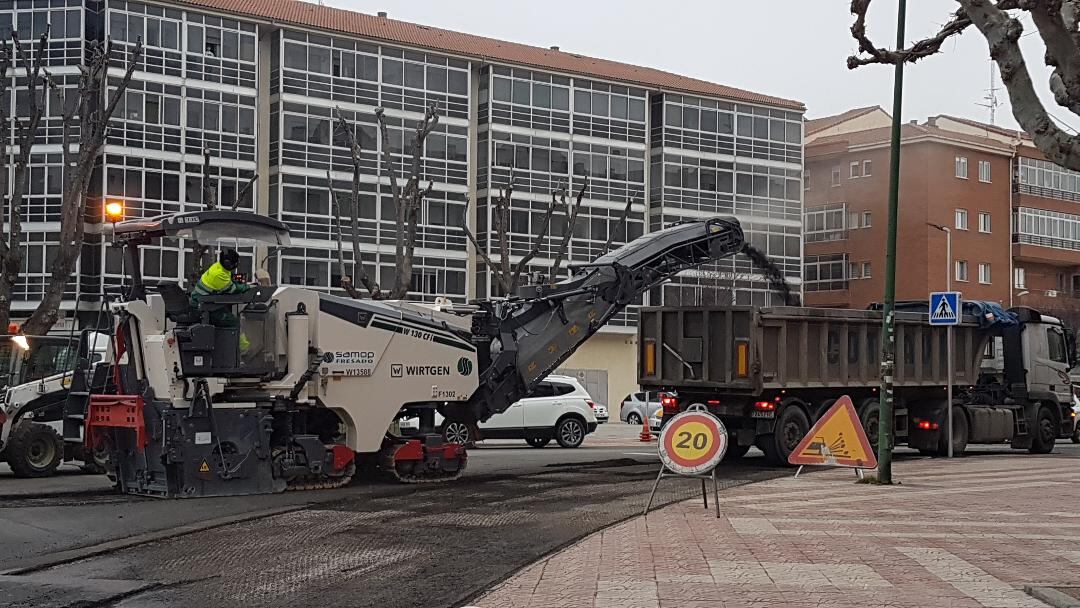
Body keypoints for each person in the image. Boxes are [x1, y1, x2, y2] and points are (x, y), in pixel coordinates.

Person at [190, 249, 251, 350]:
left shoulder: (218, 267)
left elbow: (228, 282)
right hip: (204, 307)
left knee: (227, 315)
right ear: (228, 263)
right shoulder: (219, 275)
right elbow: (233, 289)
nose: (236, 265)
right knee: (233, 322)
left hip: (204, 302)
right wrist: (248, 287)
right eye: (235, 263)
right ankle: (242, 350)